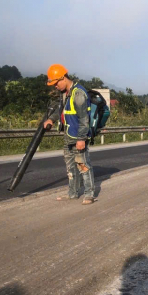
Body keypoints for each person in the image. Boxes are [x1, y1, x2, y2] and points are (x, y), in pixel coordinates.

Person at [43, 64, 95, 205]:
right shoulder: (66, 94)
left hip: (78, 136)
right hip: (68, 136)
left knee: (83, 165)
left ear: (63, 78)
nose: (55, 87)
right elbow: (61, 111)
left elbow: (84, 119)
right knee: (71, 167)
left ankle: (89, 194)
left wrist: (81, 139)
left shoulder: (78, 94)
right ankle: (72, 194)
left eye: (56, 83)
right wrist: (51, 119)